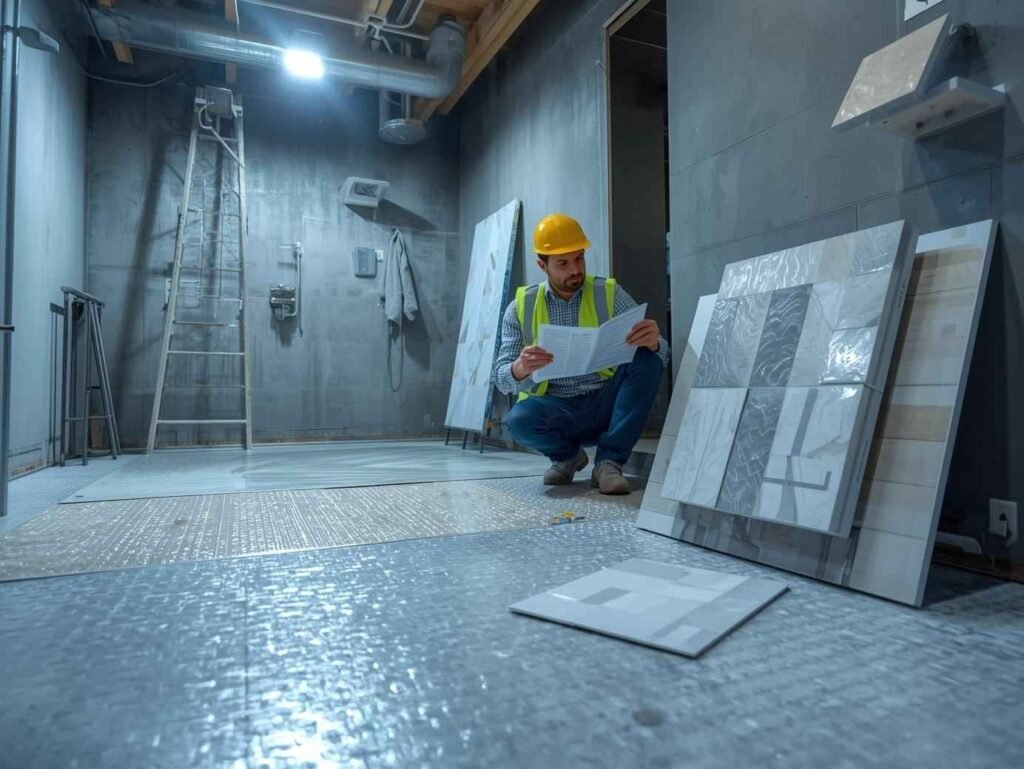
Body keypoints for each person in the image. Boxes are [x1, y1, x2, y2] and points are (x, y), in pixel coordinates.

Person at [492, 213, 669, 495]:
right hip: (557, 409)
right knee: (519, 419)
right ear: (542, 264)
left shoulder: (609, 293)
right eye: (563, 263)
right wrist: (519, 367)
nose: (575, 269)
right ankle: (567, 457)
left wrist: (654, 342)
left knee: (647, 361)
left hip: (606, 402)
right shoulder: (520, 307)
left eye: (579, 258)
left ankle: (608, 464)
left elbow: (661, 355)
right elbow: (501, 379)